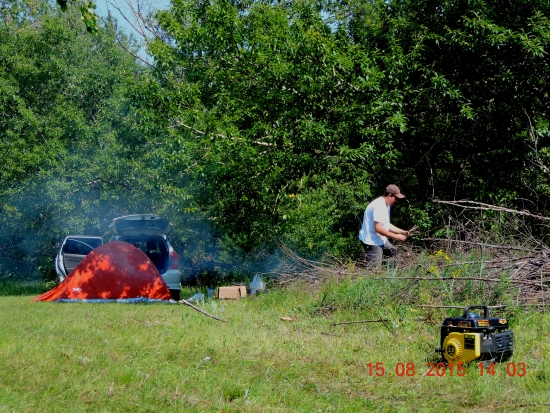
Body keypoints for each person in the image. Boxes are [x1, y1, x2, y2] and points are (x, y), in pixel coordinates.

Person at [358, 184, 415, 268]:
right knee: (374, 271)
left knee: (395, 255)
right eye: (396, 198)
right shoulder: (378, 206)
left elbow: (386, 225)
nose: (397, 201)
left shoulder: (386, 205)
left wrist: (404, 232)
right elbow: (378, 228)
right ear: (389, 195)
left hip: (381, 239)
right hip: (372, 241)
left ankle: (389, 275)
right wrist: (396, 236)